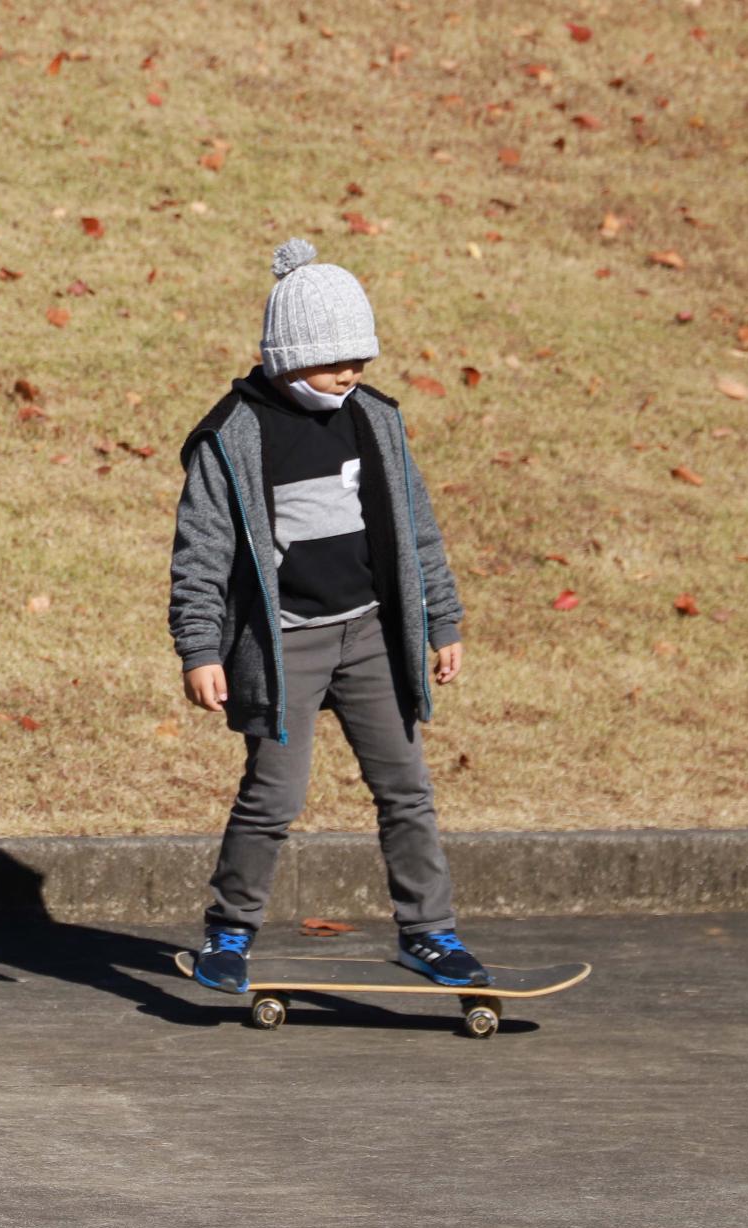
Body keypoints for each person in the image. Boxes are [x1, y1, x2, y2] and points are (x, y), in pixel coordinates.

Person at [167, 239, 486, 993]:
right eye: (334, 360)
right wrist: (199, 647)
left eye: (361, 361)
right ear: (286, 355)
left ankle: (430, 932)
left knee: (406, 788)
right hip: (286, 648)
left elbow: (416, 527)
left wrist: (442, 620)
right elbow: (201, 551)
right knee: (273, 797)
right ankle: (229, 933)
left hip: (372, 634)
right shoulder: (233, 437)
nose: (350, 374)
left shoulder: (373, 419)